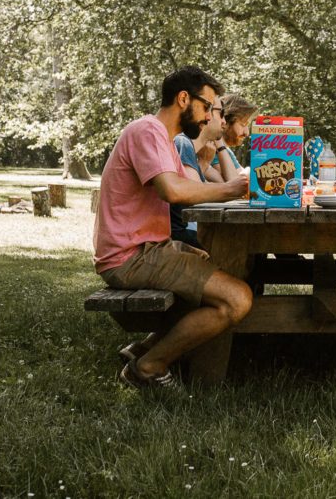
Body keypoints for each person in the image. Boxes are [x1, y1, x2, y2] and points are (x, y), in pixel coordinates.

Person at [93, 66, 252, 390]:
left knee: (227, 267)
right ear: (183, 99)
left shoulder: (164, 140)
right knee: (238, 298)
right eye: (207, 107)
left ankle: (147, 348)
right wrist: (233, 188)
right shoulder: (147, 130)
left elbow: (188, 191)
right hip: (131, 256)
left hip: (148, 249)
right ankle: (148, 367)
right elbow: (174, 191)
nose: (210, 117)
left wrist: (216, 165)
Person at [170, 96, 227, 248]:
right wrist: (233, 189)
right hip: (180, 236)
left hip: (188, 231)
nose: (224, 122)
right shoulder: (183, 142)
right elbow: (195, 197)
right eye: (220, 114)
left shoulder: (191, 149)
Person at [204, 94, 256, 183]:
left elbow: (243, 174)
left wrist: (247, 171)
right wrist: (247, 172)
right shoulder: (213, 147)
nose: (246, 132)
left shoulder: (226, 149)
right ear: (226, 122)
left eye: (247, 126)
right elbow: (234, 183)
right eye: (243, 125)